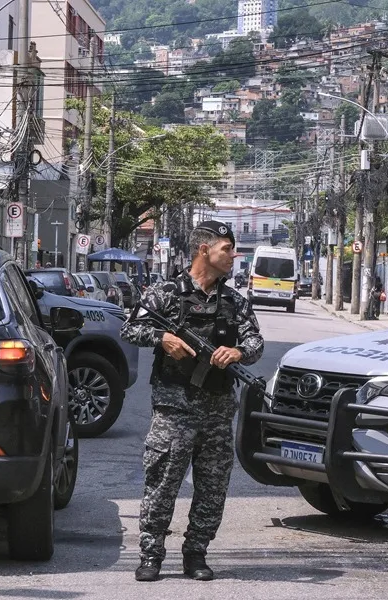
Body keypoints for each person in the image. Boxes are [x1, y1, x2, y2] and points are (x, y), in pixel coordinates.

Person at [121, 220, 264, 582]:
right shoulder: (167, 293)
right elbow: (130, 328)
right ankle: (151, 555)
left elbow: (255, 343)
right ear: (205, 250)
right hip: (175, 408)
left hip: (217, 409)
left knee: (213, 487)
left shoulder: (234, 302)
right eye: (227, 249)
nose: (234, 255)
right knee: (162, 482)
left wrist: (237, 352)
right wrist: (162, 337)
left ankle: (196, 554)